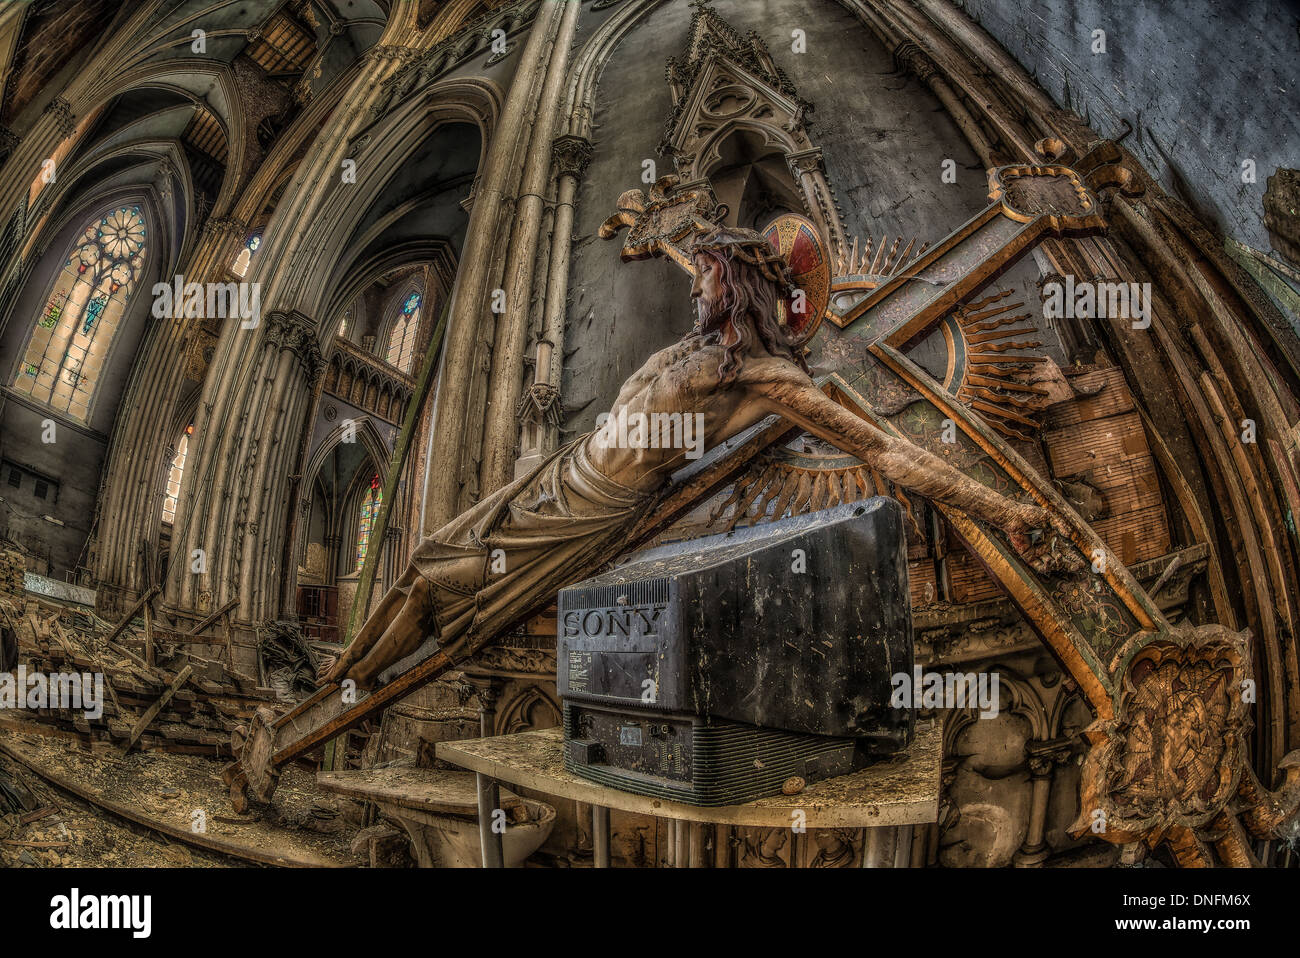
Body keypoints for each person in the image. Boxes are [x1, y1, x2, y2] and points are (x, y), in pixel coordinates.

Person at [324, 225, 1066, 688]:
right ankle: (346, 675)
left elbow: (887, 452)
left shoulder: (767, 378)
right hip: (564, 471)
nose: (695, 282)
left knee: (434, 583)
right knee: (426, 557)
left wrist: (1005, 509)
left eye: (707, 273)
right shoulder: (699, 344)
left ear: (736, 284)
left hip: (590, 511)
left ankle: (348, 684)